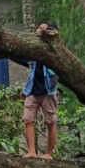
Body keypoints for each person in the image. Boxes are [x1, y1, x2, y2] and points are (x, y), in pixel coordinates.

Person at [22, 22, 60, 160]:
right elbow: (32, 72)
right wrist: (25, 89)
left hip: (48, 91)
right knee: (27, 119)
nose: (40, 30)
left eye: (44, 28)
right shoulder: (34, 48)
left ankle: (49, 153)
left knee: (50, 121)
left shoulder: (54, 49)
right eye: (39, 28)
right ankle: (32, 151)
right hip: (33, 90)